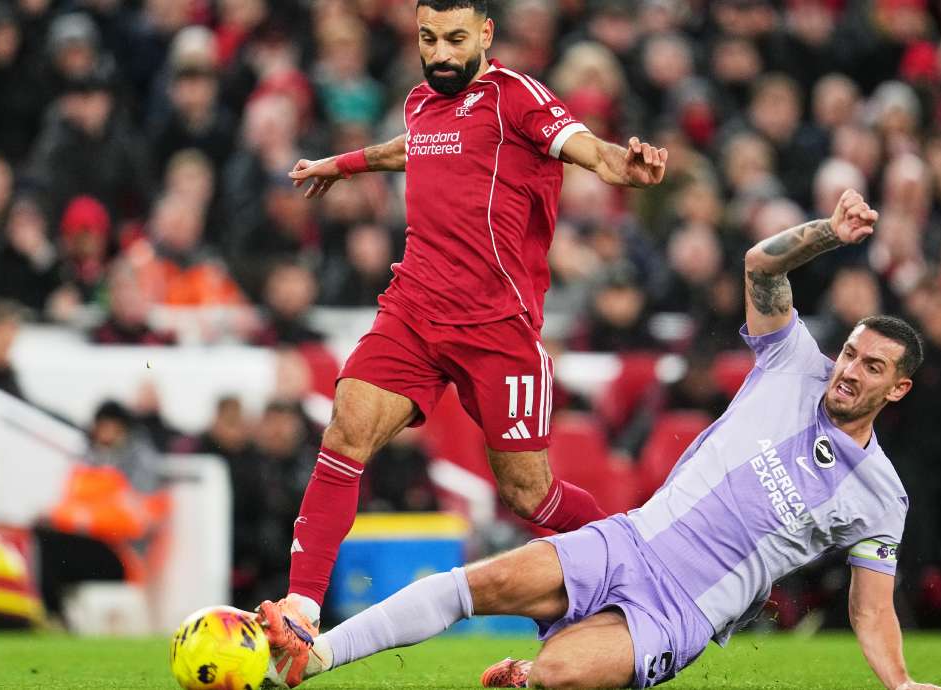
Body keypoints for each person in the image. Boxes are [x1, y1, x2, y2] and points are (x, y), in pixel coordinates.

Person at [258, 189, 941, 690]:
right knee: (482, 582)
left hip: (681, 613)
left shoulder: (880, 495)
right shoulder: (793, 362)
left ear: (899, 389)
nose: (849, 370)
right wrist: (828, 232)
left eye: (872, 367)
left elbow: (870, 607)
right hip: (631, 540)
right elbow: (761, 267)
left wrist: (901, 683)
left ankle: (529, 675)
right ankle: (313, 658)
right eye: (851, 353)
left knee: (560, 675)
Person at [273, 0, 669, 628]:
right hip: (414, 310)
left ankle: (646, 567)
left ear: (486, 33)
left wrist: (626, 167)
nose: (440, 54)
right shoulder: (420, 101)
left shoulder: (517, 97)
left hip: (497, 326)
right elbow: (414, 148)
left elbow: (589, 150)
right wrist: (341, 165)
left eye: (455, 39)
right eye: (428, 38)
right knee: (345, 434)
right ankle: (299, 613)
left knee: (529, 496)